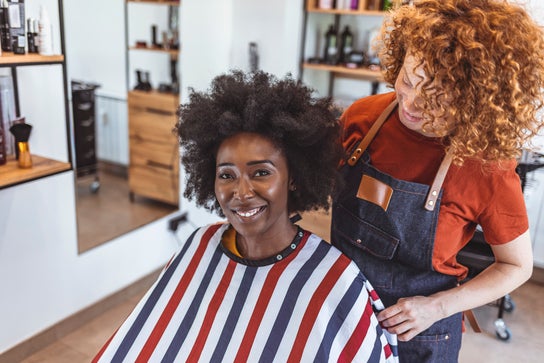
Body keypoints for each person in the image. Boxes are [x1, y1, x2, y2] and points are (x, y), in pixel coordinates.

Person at [93, 71, 398, 362]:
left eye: (261, 172)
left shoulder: (333, 279)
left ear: (294, 177)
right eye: (227, 174)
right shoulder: (200, 245)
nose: (241, 192)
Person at [330, 0, 544, 361]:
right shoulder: (363, 119)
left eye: (436, 98)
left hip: (422, 332)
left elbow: (517, 266)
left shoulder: (484, 166)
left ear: (474, 100)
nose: (410, 103)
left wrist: (438, 307)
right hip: (340, 311)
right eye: (408, 80)